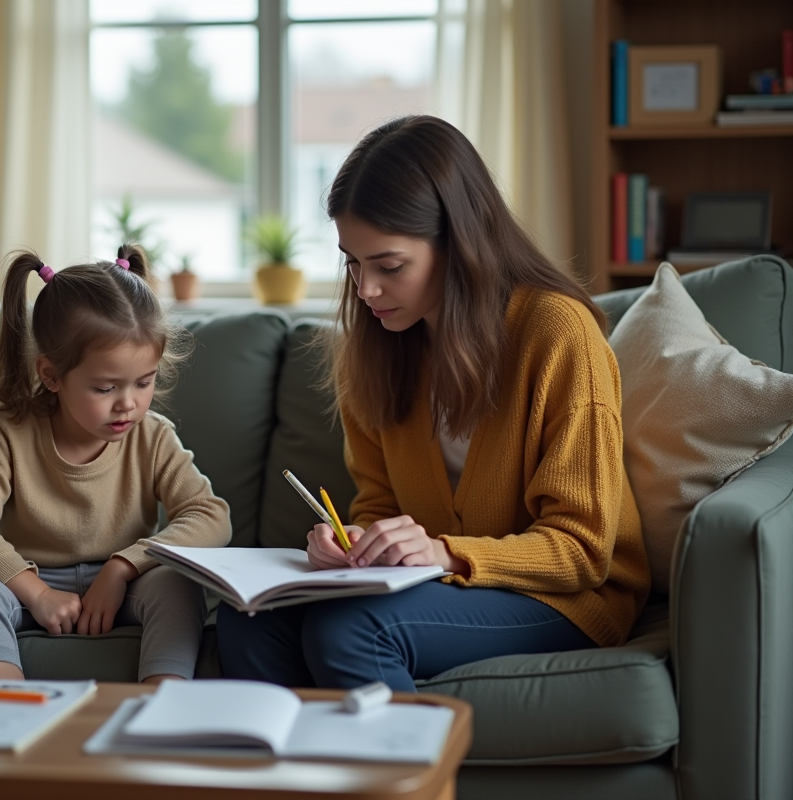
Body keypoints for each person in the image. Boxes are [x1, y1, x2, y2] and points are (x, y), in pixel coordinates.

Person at [217, 115, 650, 691]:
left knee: (352, 630)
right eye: (353, 263)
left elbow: (583, 550)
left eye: (389, 266)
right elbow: (380, 504)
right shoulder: (377, 350)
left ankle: (406, 778)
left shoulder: (557, 334)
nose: (366, 289)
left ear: (459, 243)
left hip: (567, 597)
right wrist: (352, 545)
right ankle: (293, 779)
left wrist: (445, 555)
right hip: (438, 584)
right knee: (248, 620)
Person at [0, 245, 231, 685]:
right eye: (105, 388)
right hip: (31, 581)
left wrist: (124, 567)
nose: (128, 404)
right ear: (52, 376)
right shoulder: (9, 432)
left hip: (128, 582)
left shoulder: (152, 436)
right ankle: (3, 702)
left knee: (178, 585)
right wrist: (36, 593)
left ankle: (163, 702)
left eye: (144, 382)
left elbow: (212, 515)